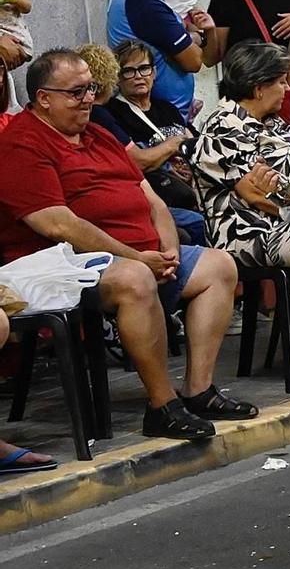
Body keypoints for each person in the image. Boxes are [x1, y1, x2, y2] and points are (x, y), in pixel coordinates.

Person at [0, 50, 253, 440]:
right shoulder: (21, 143)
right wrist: (137, 257)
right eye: (77, 92)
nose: (88, 99)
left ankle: (198, 389)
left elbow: (150, 198)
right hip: (60, 265)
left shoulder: (98, 134)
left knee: (218, 265)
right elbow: (57, 224)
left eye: (92, 89)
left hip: (140, 253)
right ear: (43, 97)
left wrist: (167, 249)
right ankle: (162, 405)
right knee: (135, 279)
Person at [190, 42, 290, 274]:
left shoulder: (272, 122)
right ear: (258, 88)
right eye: (281, 82)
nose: (288, 88)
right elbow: (256, 196)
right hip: (248, 232)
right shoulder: (224, 127)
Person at [99, 41, 204, 242]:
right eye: (128, 71)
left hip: (195, 185)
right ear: (117, 78)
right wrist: (176, 143)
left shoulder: (167, 108)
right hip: (158, 195)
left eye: (144, 68)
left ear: (154, 72)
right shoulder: (114, 113)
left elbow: (197, 142)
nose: (138, 76)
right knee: (198, 224)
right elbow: (138, 162)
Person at [106, 0, 203, 119]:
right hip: (160, 119)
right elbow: (194, 61)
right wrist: (197, 36)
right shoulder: (145, 8)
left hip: (169, 113)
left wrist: (187, 37)